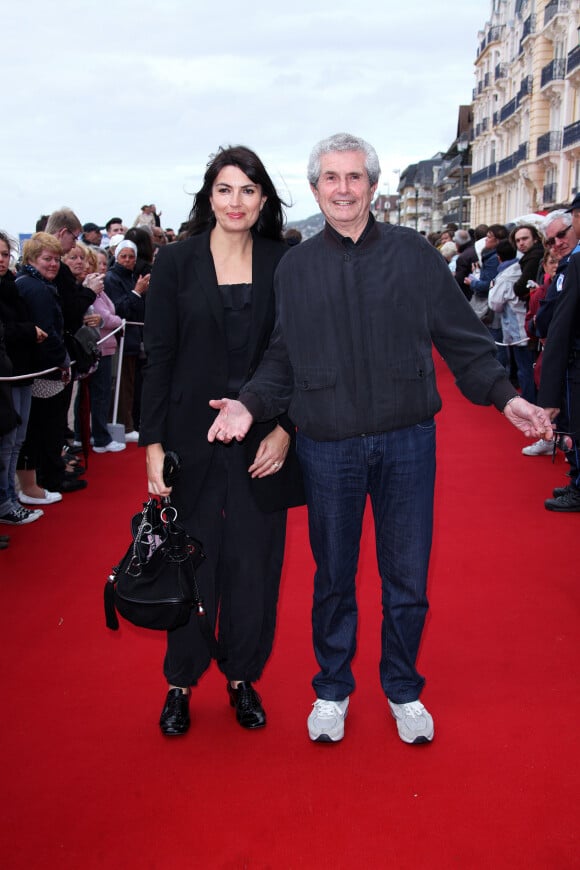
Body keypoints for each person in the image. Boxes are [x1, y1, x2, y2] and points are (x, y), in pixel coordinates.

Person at [207, 132, 552, 746]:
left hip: (408, 443)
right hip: (327, 446)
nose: (343, 189)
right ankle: (332, 689)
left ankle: (403, 687)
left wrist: (508, 397)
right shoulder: (296, 267)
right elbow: (281, 358)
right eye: (331, 179)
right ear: (316, 188)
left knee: (407, 580)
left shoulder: (415, 255)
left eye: (355, 177)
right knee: (333, 577)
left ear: (373, 185)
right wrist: (250, 402)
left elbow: (461, 340)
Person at [140, 145, 302, 737]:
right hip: (189, 440)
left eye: (249, 190)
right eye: (225, 189)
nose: (236, 202)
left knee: (255, 565)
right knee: (190, 565)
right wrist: (152, 445)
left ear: (264, 200)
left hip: (263, 441)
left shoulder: (286, 262)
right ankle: (180, 683)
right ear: (209, 196)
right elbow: (157, 359)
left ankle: (241, 675)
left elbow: (300, 359)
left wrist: (286, 430)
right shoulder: (178, 263)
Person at [537, 194, 580, 511]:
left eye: (561, 236)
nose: (556, 244)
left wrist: (548, 393)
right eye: (550, 241)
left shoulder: (574, 265)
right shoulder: (569, 265)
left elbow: (561, 325)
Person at [104, 240, 149, 442]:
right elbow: (117, 309)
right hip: (120, 340)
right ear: (116, 256)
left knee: (131, 384)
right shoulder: (112, 279)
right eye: (124, 256)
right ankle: (125, 424)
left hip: (133, 339)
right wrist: (136, 292)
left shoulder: (131, 277)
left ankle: (129, 422)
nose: (128, 260)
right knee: (122, 385)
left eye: (131, 257)